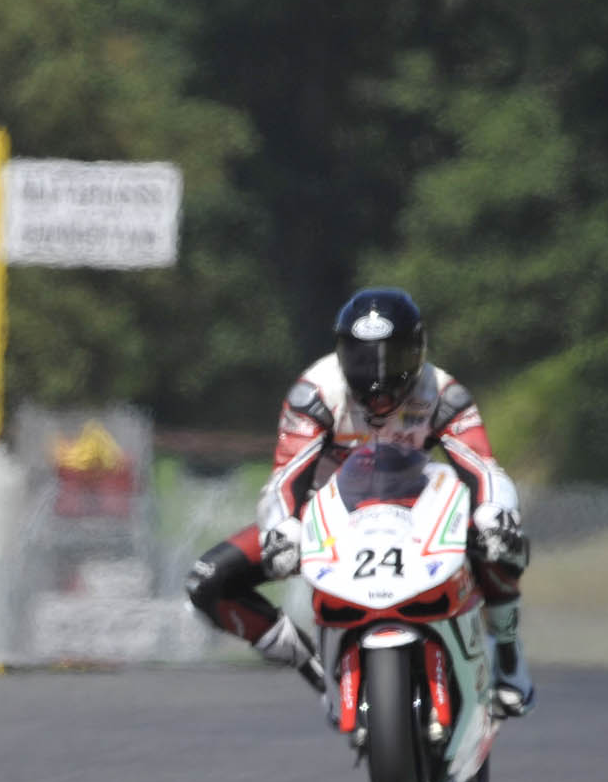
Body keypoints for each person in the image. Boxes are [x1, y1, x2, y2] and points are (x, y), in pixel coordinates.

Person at [184, 287, 535, 718]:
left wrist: (495, 514)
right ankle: (313, 666)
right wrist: (283, 529)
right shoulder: (314, 393)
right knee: (208, 582)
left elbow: (482, 468)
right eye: (363, 360)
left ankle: (508, 653)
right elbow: (286, 478)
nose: (378, 379)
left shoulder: (444, 393)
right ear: (340, 354)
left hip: (419, 514)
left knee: (501, 542)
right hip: (326, 515)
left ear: (419, 351)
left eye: (394, 358)